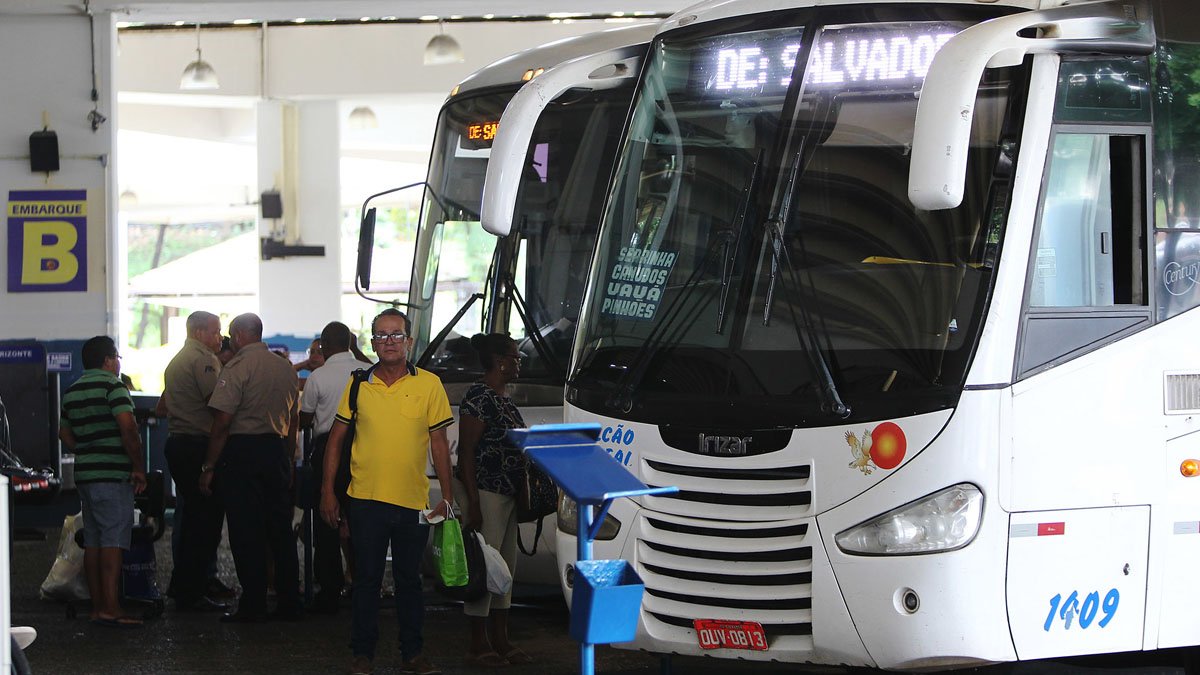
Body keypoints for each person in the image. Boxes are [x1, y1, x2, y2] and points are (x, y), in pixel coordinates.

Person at [320, 308, 454, 675]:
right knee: (366, 580)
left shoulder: (429, 384)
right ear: (373, 343)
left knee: (411, 582)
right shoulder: (359, 382)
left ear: (409, 342)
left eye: (397, 335)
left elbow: (439, 443)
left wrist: (448, 496)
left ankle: (413, 653)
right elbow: (336, 440)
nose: (389, 342)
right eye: (382, 336)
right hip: (364, 500)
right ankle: (362, 654)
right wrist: (328, 493)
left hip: (413, 502)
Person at [199, 313, 301, 623]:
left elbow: (222, 423)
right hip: (276, 451)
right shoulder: (285, 368)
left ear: (241, 336)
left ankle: (254, 604)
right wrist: (288, 457)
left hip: (243, 452)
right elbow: (294, 419)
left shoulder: (237, 367)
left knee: (246, 531)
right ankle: (289, 603)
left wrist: (209, 466)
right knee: (281, 532)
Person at [454, 333, 532, 667]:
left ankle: (500, 638)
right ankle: (478, 642)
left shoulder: (504, 400)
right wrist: (473, 503)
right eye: (516, 357)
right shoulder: (479, 397)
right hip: (486, 493)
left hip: (507, 494)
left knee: (505, 571)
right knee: (485, 568)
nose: (518, 363)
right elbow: (467, 453)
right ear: (500, 361)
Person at [59, 336, 147, 627]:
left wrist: (88, 447)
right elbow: (129, 429)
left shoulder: (71, 392)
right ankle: (112, 608)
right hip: (112, 475)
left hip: (86, 476)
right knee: (113, 541)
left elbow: (66, 436)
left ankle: (98, 607)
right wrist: (138, 467)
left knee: (94, 541)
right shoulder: (114, 386)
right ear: (109, 360)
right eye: (118, 357)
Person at [160, 310, 228, 613]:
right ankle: (193, 591)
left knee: (191, 521)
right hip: (197, 445)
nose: (220, 337)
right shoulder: (202, 360)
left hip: (181, 443)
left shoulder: (179, 359)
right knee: (203, 523)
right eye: (216, 331)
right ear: (199, 332)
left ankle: (184, 584)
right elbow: (218, 403)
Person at [299, 322, 364, 613]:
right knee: (363, 520)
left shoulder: (318, 377)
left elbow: (305, 418)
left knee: (327, 521)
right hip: (365, 449)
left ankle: (329, 590)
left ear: (323, 346)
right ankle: (363, 584)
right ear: (350, 341)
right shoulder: (368, 371)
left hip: (328, 451)